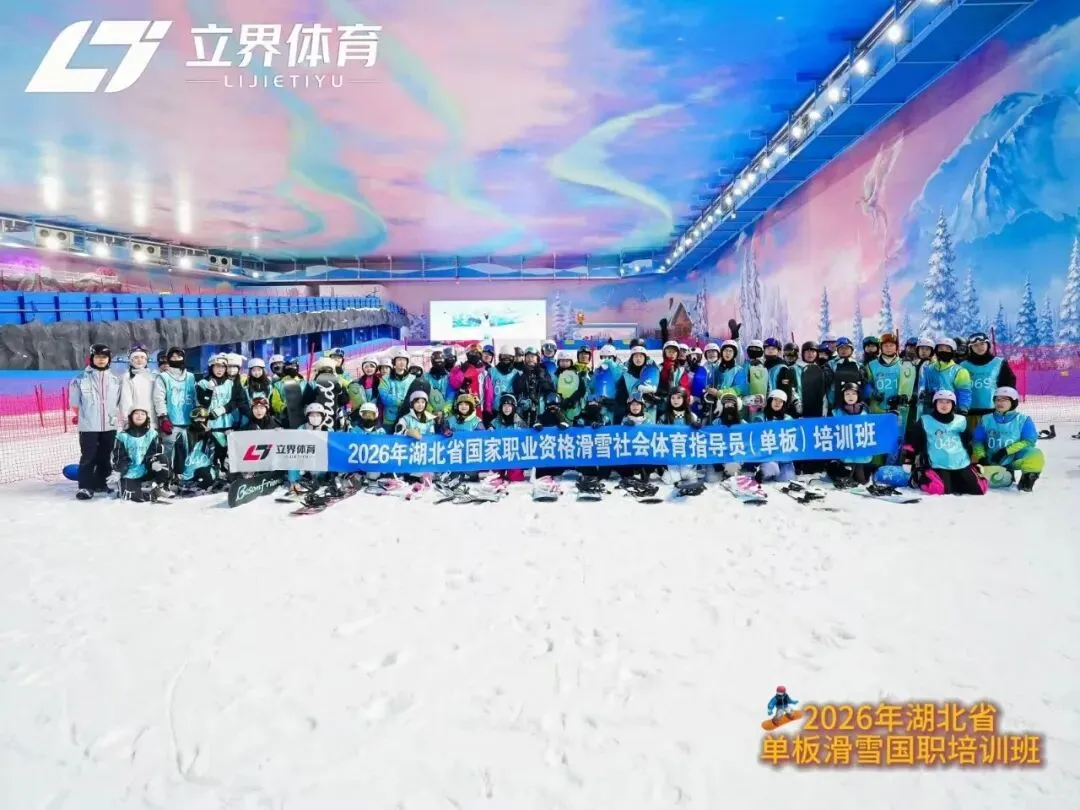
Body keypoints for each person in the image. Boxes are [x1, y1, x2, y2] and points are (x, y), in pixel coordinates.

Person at [69, 343, 123, 500]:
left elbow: (119, 402)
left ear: (109, 359)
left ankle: (101, 483)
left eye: (104, 357)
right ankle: (85, 487)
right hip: (88, 426)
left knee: (105, 457)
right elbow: (74, 404)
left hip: (109, 425)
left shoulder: (115, 379)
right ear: (92, 358)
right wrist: (84, 417)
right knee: (88, 456)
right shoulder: (80, 379)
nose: (101, 360)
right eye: (98, 357)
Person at [910, 390, 986, 496]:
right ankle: (922, 477)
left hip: (960, 463)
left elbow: (968, 440)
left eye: (948, 402)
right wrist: (911, 459)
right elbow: (914, 441)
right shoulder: (925, 421)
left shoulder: (961, 420)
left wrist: (974, 457)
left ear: (953, 405)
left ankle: (958, 479)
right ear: (935, 404)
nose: (944, 405)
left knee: (979, 490)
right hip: (938, 464)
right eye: (940, 401)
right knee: (939, 489)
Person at [971, 386, 1044, 492]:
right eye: (997, 399)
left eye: (1004, 399)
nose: (1000, 403)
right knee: (999, 482)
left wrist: (1006, 451)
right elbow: (977, 441)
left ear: (1013, 402)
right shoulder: (986, 419)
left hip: (1014, 458)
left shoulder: (1023, 419)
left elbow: (1029, 441)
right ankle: (1006, 474)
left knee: (1036, 455)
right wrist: (982, 457)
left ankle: (1026, 483)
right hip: (992, 460)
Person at [962, 331, 1017, 431]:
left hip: (993, 413)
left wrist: (1007, 407)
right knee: (972, 440)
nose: (979, 347)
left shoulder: (999, 363)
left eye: (982, 344)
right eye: (975, 345)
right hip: (969, 414)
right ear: (970, 348)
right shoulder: (963, 365)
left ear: (988, 345)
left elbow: (1008, 386)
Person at [112, 406, 169, 501]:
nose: (140, 416)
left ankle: (160, 486)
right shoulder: (122, 436)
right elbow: (120, 457)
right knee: (131, 496)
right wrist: (119, 471)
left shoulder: (152, 434)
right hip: (130, 472)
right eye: (136, 413)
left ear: (146, 417)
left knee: (162, 458)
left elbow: (154, 452)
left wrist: (152, 463)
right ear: (131, 416)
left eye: (143, 414)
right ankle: (146, 492)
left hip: (147, 469)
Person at [827, 382, 874, 485]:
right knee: (844, 479)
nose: (850, 397)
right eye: (847, 394)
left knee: (861, 481)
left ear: (858, 395)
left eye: (853, 393)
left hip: (860, 450)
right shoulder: (837, 412)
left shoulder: (866, 411)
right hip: (845, 450)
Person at [171, 406, 219, 491]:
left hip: (206, 466)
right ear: (192, 420)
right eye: (197, 419)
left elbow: (217, 452)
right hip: (188, 469)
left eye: (202, 418)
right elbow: (178, 455)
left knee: (207, 475)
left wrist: (210, 437)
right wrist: (178, 472)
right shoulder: (184, 434)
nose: (200, 421)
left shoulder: (209, 434)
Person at [119, 344, 158, 431]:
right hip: (135, 421)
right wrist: (127, 420)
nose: (139, 360)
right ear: (131, 360)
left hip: (152, 420)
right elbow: (125, 401)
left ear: (146, 360)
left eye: (142, 357)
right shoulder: (127, 377)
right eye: (136, 357)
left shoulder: (153, 377)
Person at [270, 357, 308, 429]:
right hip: (285, 417)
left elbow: (309, 398)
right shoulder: (278, 384)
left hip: (303, 416)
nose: (291, 370)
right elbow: (275, 403)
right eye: (289, 368)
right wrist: (284, 408)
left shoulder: (303, 382)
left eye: (293, 368)